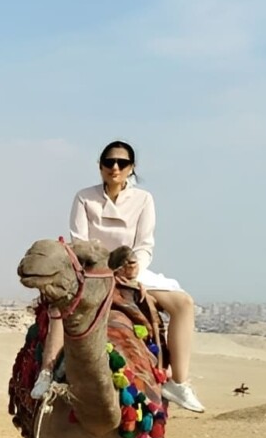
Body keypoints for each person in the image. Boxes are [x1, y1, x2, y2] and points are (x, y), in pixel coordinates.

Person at [32, 140, 205, 413]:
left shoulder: (143, 200)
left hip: (131, 271)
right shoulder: (84, 197)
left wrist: (134, 265)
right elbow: (80, 241)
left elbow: (145, 243)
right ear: (100, 166)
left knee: (183, 304)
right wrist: (102, 266)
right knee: (59, 306)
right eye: (109, 162)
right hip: (92, 270)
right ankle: (47, 372)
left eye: (122, 163)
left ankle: (179, 382)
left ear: (131, 168)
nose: (115, 167)